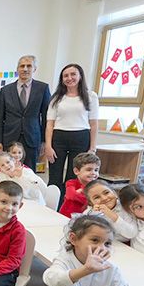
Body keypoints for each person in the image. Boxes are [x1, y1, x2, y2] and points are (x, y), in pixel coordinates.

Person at [44, 64, 99, 197]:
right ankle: (53, 204)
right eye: (65, 76)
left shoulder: (91, 96)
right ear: (62, 79)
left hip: (81, 137)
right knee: (55, 176)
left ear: (80, 76)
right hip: (59, 137)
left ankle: (69, 202)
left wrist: (92, 148)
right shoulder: (56, 97)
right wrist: (48, 146)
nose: (69, 78)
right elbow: (50, 124)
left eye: (73, 74)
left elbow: (94, 124)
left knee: (73, 176)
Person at [0, 55, 51, 169]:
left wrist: (45, 141)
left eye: (29, 66)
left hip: (32, 138)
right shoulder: (6, 90)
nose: (25, 69)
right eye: (22, 66)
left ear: (34, 69)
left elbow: (46, 117)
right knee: (9, 170)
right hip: (10, 138)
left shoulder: (42, 88)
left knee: (29, 172)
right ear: (17, 69)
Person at [59, 152, 101, 218]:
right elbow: (71, 195)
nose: (93, 173)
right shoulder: (71, 183)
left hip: (84, 218)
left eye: (96, 170)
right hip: (67, 216)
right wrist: (90, 200)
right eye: (89, 170)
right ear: (76, 171)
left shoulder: (96, 186)